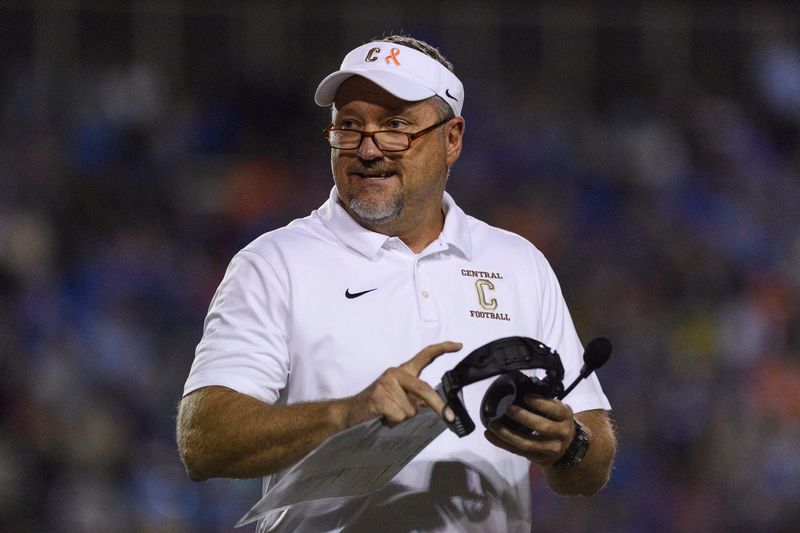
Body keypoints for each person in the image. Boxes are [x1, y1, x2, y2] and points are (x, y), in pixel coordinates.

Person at [177, 34, 617, 532]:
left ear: (452, 139)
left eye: (395, 127)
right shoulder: (276, 263)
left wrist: (569, 444)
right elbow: (203, 440)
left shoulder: (517, 262)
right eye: (349, 126)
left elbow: (591, 462)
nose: (368, 148)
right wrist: (348, 414)